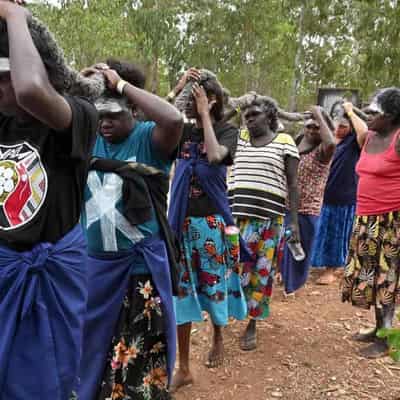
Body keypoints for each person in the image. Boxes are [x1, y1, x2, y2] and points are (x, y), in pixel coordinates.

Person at [0, 3, 99, 399]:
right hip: (6, 269)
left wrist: (15, 15)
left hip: (50, 277)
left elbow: (29, 90)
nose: (1, 87)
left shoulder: (78, 116)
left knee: (43, 384)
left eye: (3, 76)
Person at [78, 60, 183, 400]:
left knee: (137, 355)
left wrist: (121, 85)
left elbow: (173, 118)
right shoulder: (86, 138)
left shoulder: (149, 140)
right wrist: (79, 84)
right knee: (91, 349)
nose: (105, 122)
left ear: (134, 111)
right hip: (95, 269)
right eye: (100, 115)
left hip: (138, 272)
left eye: (114, 115)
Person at [169, 69, 246, 390]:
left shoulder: (227, 131)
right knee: (181, 293)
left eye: (195, 97)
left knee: (214, 286)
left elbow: (214, 156)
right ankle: (183, 366)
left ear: (211, 100)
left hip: (213, 226)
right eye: (187, 98)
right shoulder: (180, 132)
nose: (188, 103)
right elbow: (153, 119)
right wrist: (178, 88)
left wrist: (204, 116)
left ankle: (217, 335)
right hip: (180, 225)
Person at [228, 95, 300, 350]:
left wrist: (294, 224)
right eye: (246, 115)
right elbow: (218, 130)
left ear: (270, 116)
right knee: (235, 268)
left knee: (261, 272)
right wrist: (239, 105)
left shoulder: (285, 142)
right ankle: (231, 309)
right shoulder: (239, 139)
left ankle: (252, 323)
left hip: (269, 221)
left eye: (254, 114)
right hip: (238, 219)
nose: (248, 119)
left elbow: (292, 184)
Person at [342, 87, 400, 358]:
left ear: (392, 116)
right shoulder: (369, 137)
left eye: (376, 112)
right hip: (366, 220)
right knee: (370, 276)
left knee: (386, 280)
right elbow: (359, 126)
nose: (370, 115)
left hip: (391, 222)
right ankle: (378, 329)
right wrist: (350, 112)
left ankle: (386, 338)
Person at [280, 107, 336, 295]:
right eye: (309, 127)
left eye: (317, 127)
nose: (312, 130)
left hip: (308, 209)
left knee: (301, 248)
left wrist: (319, 115)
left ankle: (294, 284)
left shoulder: (323, 151)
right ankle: (286, 279)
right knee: (288, 243)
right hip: (289, 205)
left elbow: (331, 143)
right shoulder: (299, 142)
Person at [311, 101, 368, 284]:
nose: (338, 129)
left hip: (345, 199)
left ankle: (332, 270)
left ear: (349, 128)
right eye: (337, 126)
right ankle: (324, 265)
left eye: (343, 127)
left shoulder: (355, 142)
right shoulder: (336, 141)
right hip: (326, 197)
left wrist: (351, 112)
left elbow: (364, 131)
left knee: (337, 235)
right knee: (324, 233)